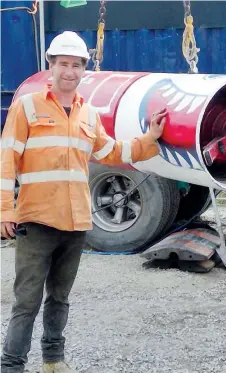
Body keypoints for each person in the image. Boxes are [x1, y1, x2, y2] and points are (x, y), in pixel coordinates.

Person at [0, 31, 167, 373]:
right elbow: (6, 160)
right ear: (51, 66)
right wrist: (4, 210)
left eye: (76, 65)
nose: (70, 72)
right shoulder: (27, 107)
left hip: (76, 223)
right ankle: (12, 365)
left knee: (60, 298)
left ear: (83, 70)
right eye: (64, 64)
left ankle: (53, 360)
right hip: (37, 221)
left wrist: (150, 138)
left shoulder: (88, 114)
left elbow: (111, 152)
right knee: (27, 301)